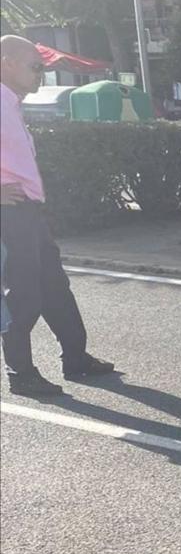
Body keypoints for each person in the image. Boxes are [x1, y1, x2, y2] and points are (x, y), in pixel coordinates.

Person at [1, 35, 114, 398]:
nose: (42, 75)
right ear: (7, 63)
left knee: (55, 288)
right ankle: (21, 374)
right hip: (9, 215)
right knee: (24, 295)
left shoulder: (11, 104)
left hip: (28, 213)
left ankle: (75, 358)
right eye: (36, 67)